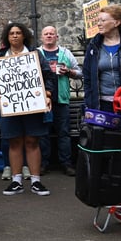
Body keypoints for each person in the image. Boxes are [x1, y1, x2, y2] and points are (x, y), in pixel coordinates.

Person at [83, 4, 121, 204]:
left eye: (102, 20)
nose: (98, 23)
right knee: (106, 147)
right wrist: (89, 104)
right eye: (98, 20)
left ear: (116, 22)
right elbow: (88, 78)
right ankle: (109, 189)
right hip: (103, 106)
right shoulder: (93, 46)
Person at [0, 22, 56, 196]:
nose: (15, 36)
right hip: (10, 106)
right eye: (12, 33)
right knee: (14, 141)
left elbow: (48, 75)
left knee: (32, 141)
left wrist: (47, 93)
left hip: (32, 106)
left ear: (24, 35)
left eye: (18, 33)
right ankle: (16, 181)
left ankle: (36, 181)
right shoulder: (1, 56)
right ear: (7, 37)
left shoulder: (35, 55)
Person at [37, 26, 82, 176]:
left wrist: (68, 71)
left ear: (57, 36)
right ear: (41, 37)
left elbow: (79, 73)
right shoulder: (36, 53)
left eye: (52, 34)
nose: (49, 36)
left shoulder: (65, 53)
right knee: (43, 133)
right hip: (41, 99)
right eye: (46, 34)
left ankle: (66, 164)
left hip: (61, 98)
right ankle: (43, 164)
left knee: (64, 133)